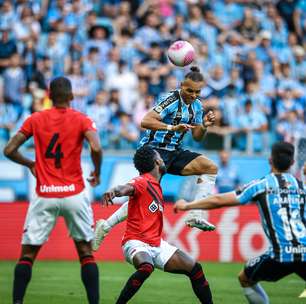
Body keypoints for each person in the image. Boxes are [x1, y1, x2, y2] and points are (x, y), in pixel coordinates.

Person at [92, 66, 217, 250]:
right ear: (182, 85)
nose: (192, 94)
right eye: (189, 90)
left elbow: (197, 136)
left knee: (210, 167)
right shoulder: (170, 99)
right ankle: (106, 226)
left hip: (174, 151)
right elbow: (145, 121)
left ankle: (195, 213)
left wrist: (204, 126)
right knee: (144, 197)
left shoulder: (197, 105)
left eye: (197, 91)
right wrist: (172, 128)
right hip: (153, 151)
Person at [3, 77, 102, 304]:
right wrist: (97, 171)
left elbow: (9, 150)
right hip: (74, 193)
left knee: (27, 255)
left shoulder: (35, 119)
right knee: (86, 252)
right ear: (72, 97)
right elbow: (96, 146)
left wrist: (30, 164)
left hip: (45, 193)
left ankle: (17, 302)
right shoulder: (81, 119)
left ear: (48, 96)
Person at [174, 141, 306, 304]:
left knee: (245, 279)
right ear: (293, 162)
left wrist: (187, 205)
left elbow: (218, 200)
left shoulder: (261, 185)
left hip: (280, 254)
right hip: (305, 250)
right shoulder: (302, 186)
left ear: (270, 160)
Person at [102, 145, 213, 304]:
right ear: (156, 161)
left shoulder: (155, 185)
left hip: (156, 244)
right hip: (135, 242)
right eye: (160, 157)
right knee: (146, 267)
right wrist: (115, 191)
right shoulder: (142, 181)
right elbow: (127, 187)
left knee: (195, 268)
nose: (163, 160)